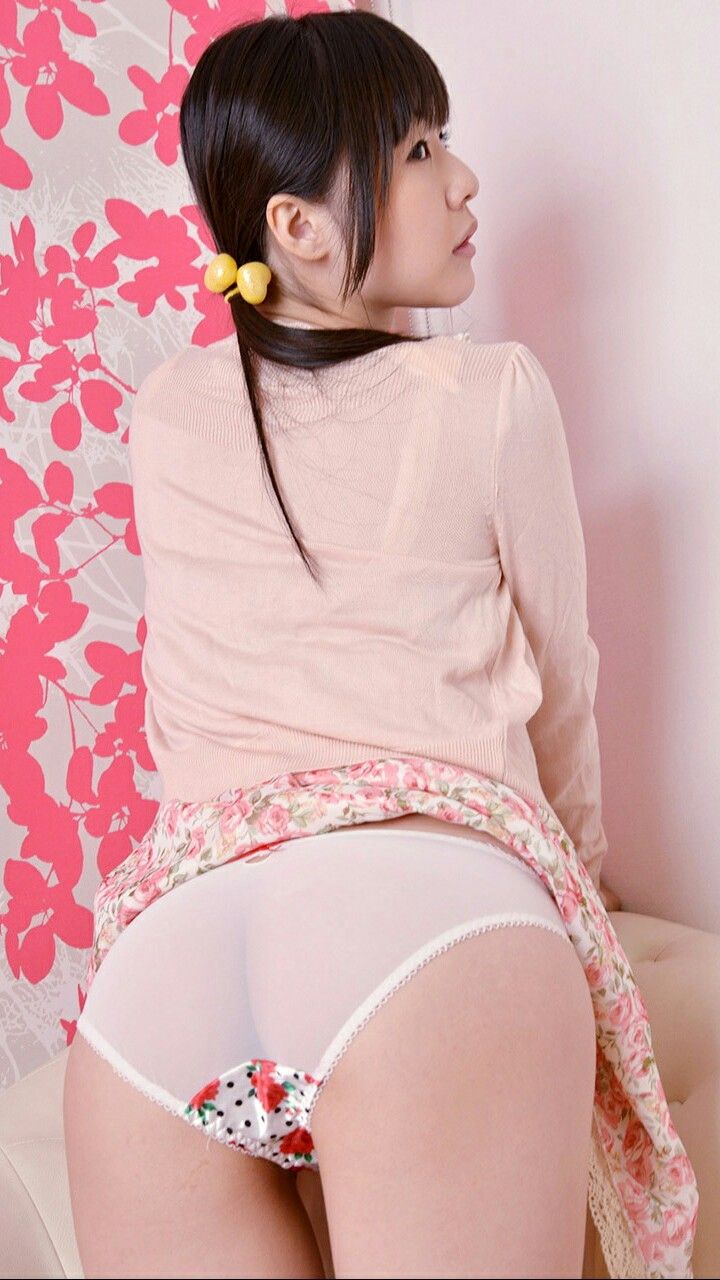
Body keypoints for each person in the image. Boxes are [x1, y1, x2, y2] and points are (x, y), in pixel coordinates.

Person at [63, 10, 635, 1279]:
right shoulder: (492, 394)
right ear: (300, 227)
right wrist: (583, 890)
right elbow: (562, 689)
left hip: (166, 976)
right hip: (425, 928)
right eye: (419, 148)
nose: (464, 179)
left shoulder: (168, 409)